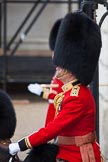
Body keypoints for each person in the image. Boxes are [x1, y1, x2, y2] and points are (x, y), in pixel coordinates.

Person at [2, 11, 102, 162]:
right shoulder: (70, 92)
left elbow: (52, 129)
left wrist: (20, 145)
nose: (56, 66)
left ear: (70, 67)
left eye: (61, 64)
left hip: (77, 156)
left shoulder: (77, 97)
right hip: (65, 150)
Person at [27, 18, 64, 126]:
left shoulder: (65, 73)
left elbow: (61, 95)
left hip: (59, 112)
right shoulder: (60, 69)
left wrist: (42, 92)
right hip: (53, 111)